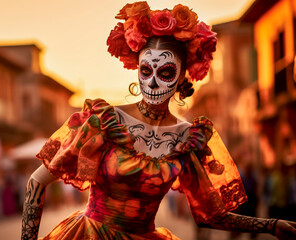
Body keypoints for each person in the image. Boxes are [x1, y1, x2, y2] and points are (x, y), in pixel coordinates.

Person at [21, 2, 296, 239]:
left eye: (165, 72)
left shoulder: (190, 139)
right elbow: (37, 181)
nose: (152, 82)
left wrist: (271, 225)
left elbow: (211, 215)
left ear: (181, 78)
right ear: (137, 70)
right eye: (145, 70)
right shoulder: (104, 121)